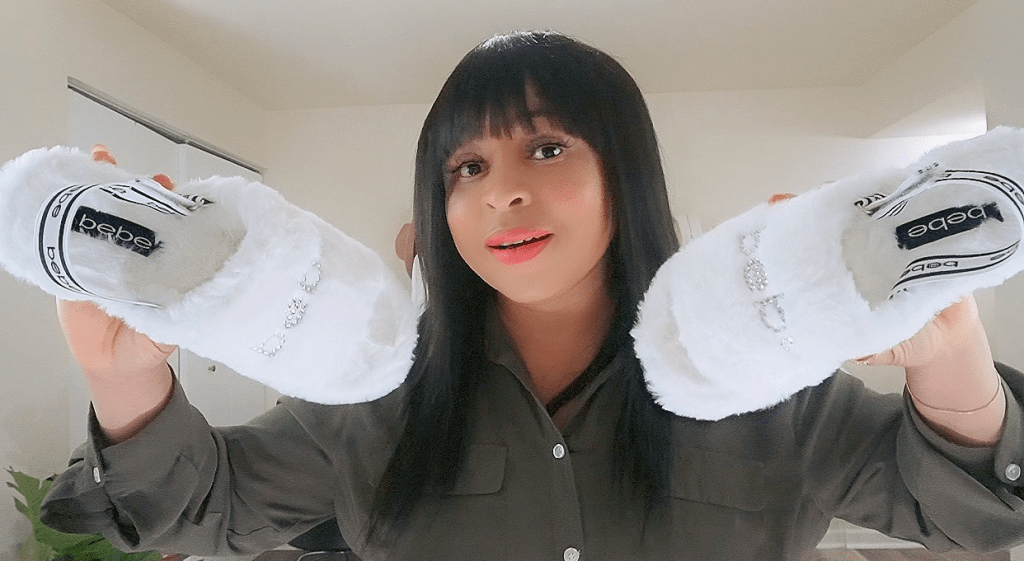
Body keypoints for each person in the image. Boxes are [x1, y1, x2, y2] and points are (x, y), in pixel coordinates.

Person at [40, 30, 1024, 560]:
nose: (499, 191)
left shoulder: (766, 383)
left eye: (546, 148)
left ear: (625, 177)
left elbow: (975, 517)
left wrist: (949, 358)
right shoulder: (368, 398)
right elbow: (199, 511)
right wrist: (122, 379)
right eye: (465, 167)